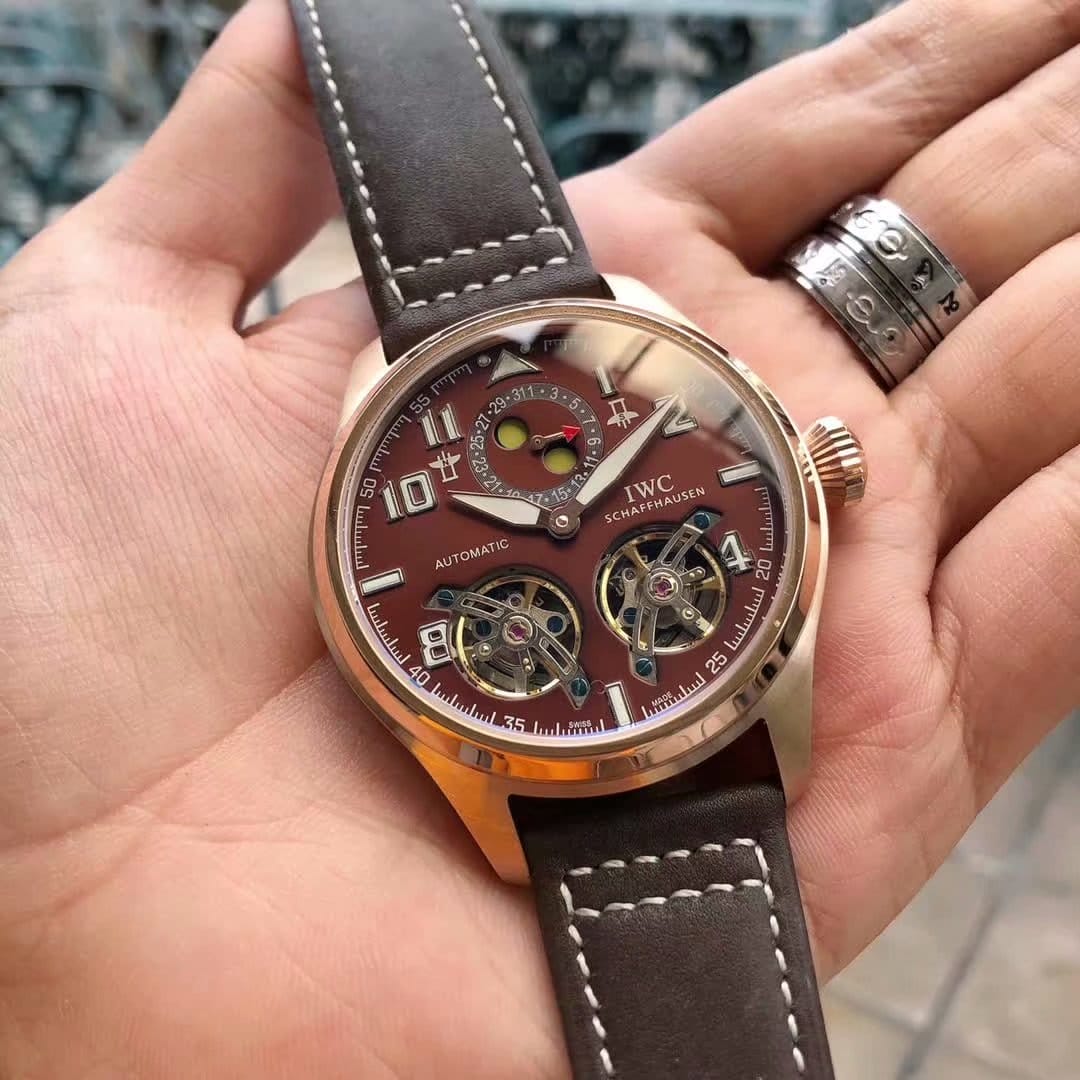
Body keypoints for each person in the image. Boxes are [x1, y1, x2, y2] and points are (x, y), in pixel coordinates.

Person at [1, 0, 1077, 1074]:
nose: (562, 518)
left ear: (814, 467)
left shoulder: (645, 401)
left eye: (573, 495)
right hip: (552, 706)